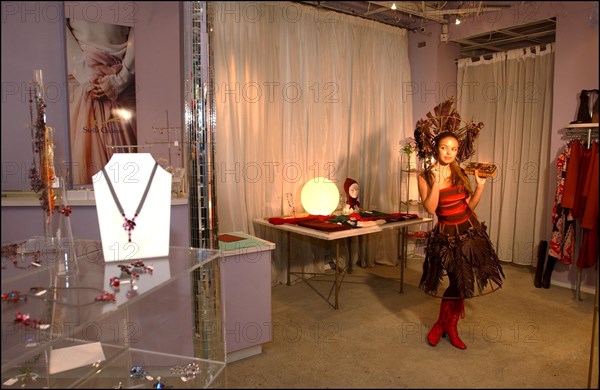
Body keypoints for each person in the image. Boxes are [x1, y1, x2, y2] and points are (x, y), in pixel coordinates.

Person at [414, 99, 505, 350]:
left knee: (460, 285)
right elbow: (431, 209)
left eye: (453, 149)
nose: (449, 152)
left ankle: (447, 326)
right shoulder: (425, 176)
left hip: (469, 233)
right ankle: (443, 325)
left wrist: (481, 187)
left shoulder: (460, 172)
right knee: (456, 282)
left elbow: (470, 207)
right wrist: (436, 182)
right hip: (447, 237)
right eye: (444, 147)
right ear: (436, 148)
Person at [65, 18, 137, 185]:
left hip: (121, 81)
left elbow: (142, 23)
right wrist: (87, 77)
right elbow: (60, 28)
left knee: (130, 167)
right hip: (83, 82)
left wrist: (121, 80)